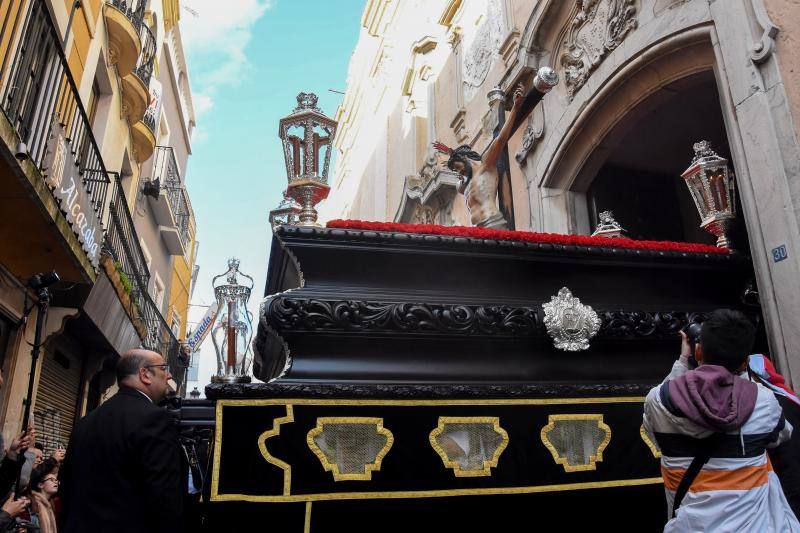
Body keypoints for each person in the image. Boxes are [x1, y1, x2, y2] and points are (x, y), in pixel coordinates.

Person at [643, 309, 800, 531]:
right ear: (745, 363)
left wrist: (682, 361)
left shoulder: (657, 401)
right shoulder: (764, 402)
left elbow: (655, 438)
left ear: (698, 351)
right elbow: (780, 436)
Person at [59, 349, 184, 533]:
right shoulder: (155, 420)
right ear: (145, 374)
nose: (169, 375)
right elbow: (165, 501)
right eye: (164, 368)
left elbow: (67, 490)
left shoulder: (86, 422)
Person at [432, 83, 526, 229]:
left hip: (493, 223)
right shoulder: (465, 185)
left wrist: (516, 107)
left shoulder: (486, 166)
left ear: (465, 158)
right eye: (456, 171)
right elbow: (460, 187)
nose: (459, 172)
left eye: (458, 167)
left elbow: (500, 140)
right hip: (478, 230)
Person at [748, 353, 800, 519]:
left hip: (790, 487)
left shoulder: (773, 406)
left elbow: (787, 459)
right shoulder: (789, 399)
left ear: (756, 376)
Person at [27, 462, 59, 533]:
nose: (56, 482)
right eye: (51, 480)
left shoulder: (49, 504)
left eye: (56, 480)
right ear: (40, 485)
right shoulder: (33, 504)